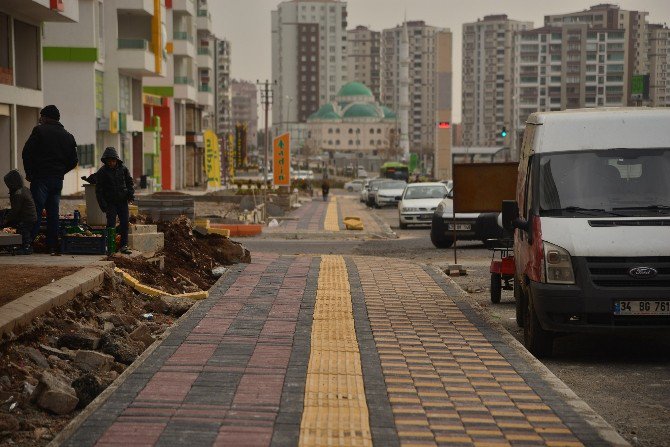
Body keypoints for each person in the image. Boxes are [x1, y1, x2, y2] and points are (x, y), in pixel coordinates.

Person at [22, 105, 78, 255]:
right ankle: (52, 246)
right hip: (57, 180)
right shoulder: (68, 136)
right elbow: (73, 161)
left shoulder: (39, 130)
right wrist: (60, 171)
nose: (40, 119)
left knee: (36, 211)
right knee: (53, 214)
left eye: (42, 116)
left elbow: (26, 152)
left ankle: (28, 243)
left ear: (47, 117)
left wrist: (29, 172)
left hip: (41, 178)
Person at [95, 147, 134, 255]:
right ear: (105, 161)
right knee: (111, 224)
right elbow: (99, 190)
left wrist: (130, 195)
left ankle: (123, 245)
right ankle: (110, 246)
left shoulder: (123, 169)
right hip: (110, 203)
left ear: (116, 160)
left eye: (113, 160)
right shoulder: (102, 172)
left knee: (125, 223)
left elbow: (129, 183)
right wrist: (103, 205)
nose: (111, 163)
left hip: (122, 202)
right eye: (109, 161)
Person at [1, 170, 37, 254]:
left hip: (26, 218)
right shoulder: (24, 189)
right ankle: (25, 246)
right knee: (24, 230)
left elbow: (15, 210)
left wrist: (6, 220)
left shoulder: (18, 193)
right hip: (30, 216)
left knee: (24, 231)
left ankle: (27, 247)